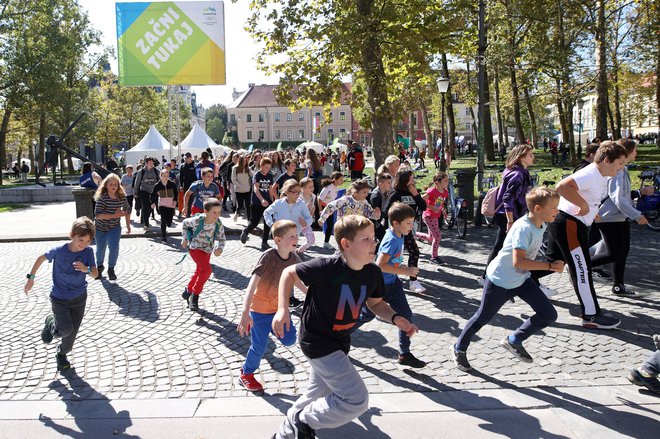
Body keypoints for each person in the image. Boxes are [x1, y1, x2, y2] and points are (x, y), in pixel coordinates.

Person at [271, 215, 418, 439]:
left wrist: (396, 317)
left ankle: (283, 434)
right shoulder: (326, 267)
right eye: (366, 239)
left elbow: (376, 303)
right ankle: (303, 421)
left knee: (315, 393)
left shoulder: (372, 272)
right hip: (317, 341)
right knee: (355, 399)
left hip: (340, 341)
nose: (374, 243)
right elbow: (288, 273)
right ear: (346, 244)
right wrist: (282, 309)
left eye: (374, 238)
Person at [451, 187, 563, 372]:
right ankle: (458, 348)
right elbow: (519, 262)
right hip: (500, 281)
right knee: (482, 317)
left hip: (521, 280)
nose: (557, 211)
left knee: (548, 314)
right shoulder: (523, 228)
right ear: (537, 209)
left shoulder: (540, 224)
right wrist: (549, 266)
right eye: (553, 207)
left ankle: (514, 340)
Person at [542, 141, 628, 329]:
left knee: (554, 261)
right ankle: (590, 315)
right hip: (569, 224)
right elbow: (562, 186)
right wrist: (584, 206)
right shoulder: (591, 173)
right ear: (607, 160)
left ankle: (519, 279)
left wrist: (591, 210)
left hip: (569, 223)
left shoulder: (598, 175)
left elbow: (587, 195)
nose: (622, 168)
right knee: (582, 268)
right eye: (620, 163)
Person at [236, 220, 308, 393]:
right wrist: (245, 313)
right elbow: (251, 286)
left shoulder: (294, 258)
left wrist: (311, 294)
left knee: (290, 339)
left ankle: (271, 329)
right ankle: (246, 374)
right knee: (259, 347)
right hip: (259, 312)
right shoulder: (268, 256)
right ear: (277, 240)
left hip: (279, 311)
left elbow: (298, 280)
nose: (295, 238)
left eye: (296, 235)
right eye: (291, 236)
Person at [357, 202, 427, 368]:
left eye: (413, 222)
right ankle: (339, 333)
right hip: (380, 285)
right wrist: (407, 271)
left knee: (405, 314)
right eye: (408, 223)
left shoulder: (399, 234)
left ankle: (405, 354)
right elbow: (380, 264)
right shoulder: (391, 239)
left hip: (393, 283)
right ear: (396, 223)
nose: (412, 226)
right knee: (366, 316)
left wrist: (400, 269)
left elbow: (392, 262)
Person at [24, 217, 99, 371]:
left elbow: (95, 274)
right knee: (65, 329)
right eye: (81, 240)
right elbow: (40, 259)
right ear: (72, 235)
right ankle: (51, 323)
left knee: (71, 334)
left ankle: (61, 354)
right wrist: (31, 279)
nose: (84, 245)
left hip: (79, 298)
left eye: (88, 241)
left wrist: (87, 269)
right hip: (59, 298)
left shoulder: (88, 252)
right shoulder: (59, 251)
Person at [589, 139, 651, 296]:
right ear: (628, 151)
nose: (637, 153)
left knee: (622, 252)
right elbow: (618, 198)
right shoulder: (618, 170)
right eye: (635, 150)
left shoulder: (622, 169)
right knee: (614, 253)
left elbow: (622, 196)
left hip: (619, 217)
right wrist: (636, 215)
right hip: (609, 217)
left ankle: (618, 286)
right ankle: (580, 267)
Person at [480, 145, 535, 285]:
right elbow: (507, 199)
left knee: (504, 246)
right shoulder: (517, 175)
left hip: (511, 215)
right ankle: (487, 277)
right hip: (507, 216)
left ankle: (491, 276)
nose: (533, 157)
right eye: (530, 155)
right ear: (522, 157)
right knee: (503, 247)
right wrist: (510, 221)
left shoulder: (517, 171)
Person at [385, 169, 427, 293]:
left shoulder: (413, 192)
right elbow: (387, 212)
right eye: (411, 178)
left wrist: (416, 195)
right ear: (404, 180)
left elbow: (423, 207)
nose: (413, 181)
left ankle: (413, 280)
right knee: (395, 256)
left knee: (415, 252)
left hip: (409, 230)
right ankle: (390, 276)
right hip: (397, 231)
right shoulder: (396, 194)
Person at [180, 199, 226, 311]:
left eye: (219, 212)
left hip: (208, 250)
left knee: (200, 271)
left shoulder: (218, 223)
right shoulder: (197, 220)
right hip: (195, 248)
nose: (217, 215)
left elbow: (222, 238)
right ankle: (194, 297)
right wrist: (184, 239)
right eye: (214, 212)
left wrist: (219, 248)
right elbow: (185, 224)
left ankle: (188, 290)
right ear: (206, 211)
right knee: (207, 270)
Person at [93, 174, 131, 280]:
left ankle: (111, 269)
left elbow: (127, 211)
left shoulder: (121, 197)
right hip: (100, 228)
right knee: (100, 249)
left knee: (114, 248)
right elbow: (98, 215)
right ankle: (99, 267)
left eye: (116, 184)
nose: (113, 186)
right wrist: (116, 215)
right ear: (106, 186)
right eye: (111, 184)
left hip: (114, 227)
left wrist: (128, 226)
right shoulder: (102, 198)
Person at [264, 179, 314, 255]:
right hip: (281, 235)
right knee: (281, 255)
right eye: (294, 192)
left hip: (294, 236)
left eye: (299, 192)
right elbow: (267, 213)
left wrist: (306, 223)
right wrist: (272, 224)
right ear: (286, 192)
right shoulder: (278, 203)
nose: (297, 194)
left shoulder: (301, 204)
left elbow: (309, 218)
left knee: (291, 255)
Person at [240, 157, 274, 251]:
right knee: (254, 222)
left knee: (267, 223)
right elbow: (256, 189)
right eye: (266, 167)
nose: (268, 169)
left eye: (269, 167)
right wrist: (262, 200)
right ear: (261, 166)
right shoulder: (257, 175)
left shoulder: (270, 176)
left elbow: (270, 189)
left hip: (267, 202)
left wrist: (272, 201)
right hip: (256, 202)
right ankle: (246, 231)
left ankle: (264, 242)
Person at [416, 171, 449, 264]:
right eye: (445, 181)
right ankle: (434, 258)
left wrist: (443, 211)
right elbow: (421, 200)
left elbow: (440, 203)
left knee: (431, 238)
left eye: (447, 181)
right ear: (437, 182)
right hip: (428, 216)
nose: (447, 183)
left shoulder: (445, 192)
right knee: (437, 236)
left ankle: (412, 234)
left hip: (436, 216)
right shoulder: (432, 191)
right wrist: (431, 207)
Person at [317, 171, 344, 249]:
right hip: (325, 208)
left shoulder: (336, 187)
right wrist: (321, 210)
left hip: (330, 209)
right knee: (329, 225)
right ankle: (326, 242)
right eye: (340, 180)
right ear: (335, 179)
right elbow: (320, 200)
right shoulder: (328, 187)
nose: (342, 181)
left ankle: (326, 242)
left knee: (330, 225)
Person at [151, 168, 179, 242]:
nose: (166, 177)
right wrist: (153, 202)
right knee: (163, 220)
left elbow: (176, 193)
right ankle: (163, 237)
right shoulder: (158, 185)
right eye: (164, 176)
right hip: (162, 204)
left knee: (169, 222)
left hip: (171, 205)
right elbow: (153, 194)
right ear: (161, 176)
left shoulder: (172, 184)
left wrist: (175, 201)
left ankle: (168, 223)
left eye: (167, 176)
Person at [133, 157, 160, 231]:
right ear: (146, 163)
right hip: (144, 190)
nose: (151, 164)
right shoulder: (141, 171)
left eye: (152, 163)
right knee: (145, 207)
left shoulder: (156, 171)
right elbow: (137, 182)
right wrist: (135, 192)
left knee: (151, 207)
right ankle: (146, 224)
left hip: (153, 191)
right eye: (150, 163)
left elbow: (160, 181)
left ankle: (148, 216)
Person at [368, 173, 393, 242]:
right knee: (384, 238)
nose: (390, 185)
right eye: (388, 183)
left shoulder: (384, 192)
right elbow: (376, 214)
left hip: (377, 221)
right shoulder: (376, 196)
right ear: (380, 184)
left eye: (390, 182)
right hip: (372, 222)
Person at [298, 177, 317, 253]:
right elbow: (296, 211)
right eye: (310, 187)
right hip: (297, 222)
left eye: (313, 186)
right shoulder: (299, 198)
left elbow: (313, 208)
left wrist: (310, 219)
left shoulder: (313, 196)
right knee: (292, 239)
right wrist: (306, 207)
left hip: (306, 223)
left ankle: (299, 251)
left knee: (311, 240)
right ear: (302, 188)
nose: (312, 188)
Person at [231, 155, 253, 222]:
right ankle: (237, 213)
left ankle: (249, 220)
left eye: (245, 161)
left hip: (247, 190)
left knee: (248, 206)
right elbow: (233, 179)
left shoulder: (248, 168)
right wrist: (240, 186)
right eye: (243, 161)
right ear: (240, 161)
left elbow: (253, 175)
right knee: (240, 205)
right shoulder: (235, 168)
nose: (244, 162)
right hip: (238, 190)